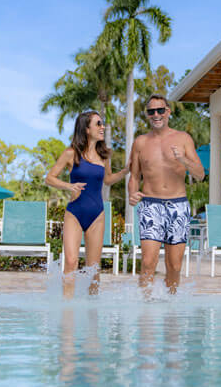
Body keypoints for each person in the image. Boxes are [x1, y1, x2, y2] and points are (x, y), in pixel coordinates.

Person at [127, 94, 204, 294]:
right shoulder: (140, 142)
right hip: (150, 205)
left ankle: (172, 306)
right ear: (147, 115)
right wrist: (132, 194)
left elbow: (200, 174)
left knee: (174, 266)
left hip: (178, 206)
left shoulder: (183, 139)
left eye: (160, 110)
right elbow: (134, 176)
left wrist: (183, 160)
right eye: (151, 111)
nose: (156, 115)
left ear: (168, 112)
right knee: (147, 261)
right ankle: (145, 306)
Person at [45, 110, 128, 296]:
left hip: (97, 214)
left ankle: (92, 315)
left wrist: (125, 171)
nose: (102, 127)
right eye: (98, 124)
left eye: (102, 123)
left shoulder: (104, 156)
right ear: (86, 128)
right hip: (74, 212)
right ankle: (67, 312)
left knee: (93, 269)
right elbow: (49, 178)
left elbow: (107, 180)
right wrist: (69, 186)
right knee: (71, 262)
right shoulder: (70, 154)